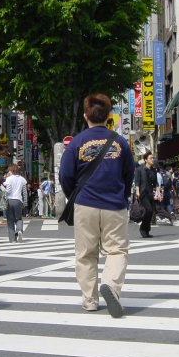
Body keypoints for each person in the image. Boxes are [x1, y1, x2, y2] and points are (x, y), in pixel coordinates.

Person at [59, 93, 135, 317]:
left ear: (85, 116)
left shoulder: (77, 143)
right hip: (114, 204)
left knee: (85, 253)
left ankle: (90, 300)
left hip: (85, 203)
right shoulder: (120, 142)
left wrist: (74, 195)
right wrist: (123, 194)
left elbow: (65, 175)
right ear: (109, 116)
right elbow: (129, 173)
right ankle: (110, 285)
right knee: (117, 249)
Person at [134, 151, 160, 237]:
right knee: (148, 210)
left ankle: (147, 230)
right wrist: (137, 192)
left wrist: (158, 193)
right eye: (151, 158)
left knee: (151, 211)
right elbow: (137, 182)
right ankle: (142, 228)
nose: (152, 159)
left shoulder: (154, 170)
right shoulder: (139, 169)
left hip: (150, 193)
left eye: (153, 158)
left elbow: (156, 183)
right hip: (142, 193)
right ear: (145, 160)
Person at [4, 164, 27, 242]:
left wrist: (2, 188)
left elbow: (8, 191)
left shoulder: (9, 179)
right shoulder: (22, 179)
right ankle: (19, 230)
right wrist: (25, 202)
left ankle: (12, 240)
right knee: (19, 218)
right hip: (18, 201)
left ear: (11, 170)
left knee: (10, 220)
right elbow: (24, 192)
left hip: (10, 201)